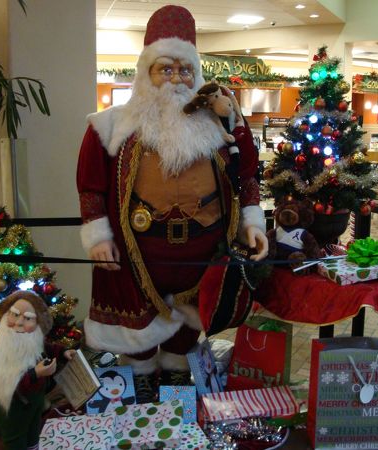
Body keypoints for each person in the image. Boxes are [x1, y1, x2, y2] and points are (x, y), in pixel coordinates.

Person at [76, 5, 267, 400]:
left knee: (186, 330)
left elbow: (247, 174)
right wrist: (98, 235)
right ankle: (142, 391)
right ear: (146, 74)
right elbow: (90, 187)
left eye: (184, 70)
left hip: (202, 256)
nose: (176, 79)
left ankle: (177, 394)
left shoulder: (219, 124)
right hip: (138, 258)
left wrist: (252, 222)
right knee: (138, 335)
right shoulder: (108, 126)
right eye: (166, 69)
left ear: (196, 75)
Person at [0, 290, 76, 450]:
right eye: (14, 314)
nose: (18, 323)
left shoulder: (33, 342)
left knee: (33, 434)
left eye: (28, 318)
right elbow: (8, 384)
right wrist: (35, 374)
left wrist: (63, 352)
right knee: (16, 439)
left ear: (38, 323)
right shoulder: (4, 351)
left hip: (34, 401)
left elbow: (47, 348)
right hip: (14, 407)